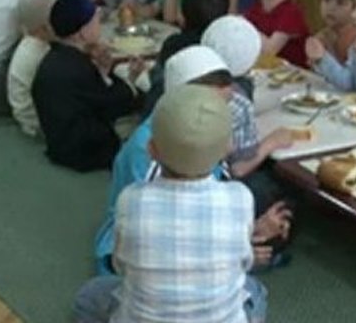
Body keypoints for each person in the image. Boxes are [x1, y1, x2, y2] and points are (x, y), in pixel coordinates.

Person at [74, 84, 269, 323]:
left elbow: (121, 265)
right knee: (255, 290)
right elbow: (244, 262)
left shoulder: (132, 199)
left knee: (89, 294)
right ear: (225, 150)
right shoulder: (240, 198)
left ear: (152, 149)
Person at [93, 45, 292, 276]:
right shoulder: (151, 148)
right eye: (215, 106)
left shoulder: (195, 132)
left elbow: (211, 193)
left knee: (279, 205)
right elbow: (160, 230)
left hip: (190, 228)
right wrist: (240, 247)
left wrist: (246, 231)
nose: (221, 115)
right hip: (152, 249)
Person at [32, 0, 142, 172]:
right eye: (96, 21)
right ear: (83, 32)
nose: (100, 26)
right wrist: (131, 79)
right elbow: (118, 103)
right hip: (85, 153)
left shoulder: (54, 58)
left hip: (57, 142)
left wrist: (104, 73)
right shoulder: (78, 68)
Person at [203, 15, 296, 217]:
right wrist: (272, 143)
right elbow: (238, 168)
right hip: (214, 185)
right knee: (278, 188)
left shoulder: (193, 78)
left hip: (176, 173)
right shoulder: (237, 100)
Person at [140, 0, 230, 116]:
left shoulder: (175, 44)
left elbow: (159, 82)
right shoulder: (226, 44)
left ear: (182, 15)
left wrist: (141, 73)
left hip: (171, 116)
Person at [7, 0, 63, 137]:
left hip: (27, 115)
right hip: (38, 121)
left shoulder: (31, 43)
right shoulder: (41, 54)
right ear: (45, 27)